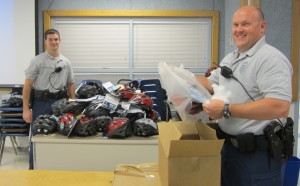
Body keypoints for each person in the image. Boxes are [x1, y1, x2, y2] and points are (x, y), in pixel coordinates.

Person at [195, 6, 292, 186]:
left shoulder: (270, 59)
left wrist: (225, 110)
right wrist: (181, 78)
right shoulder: (231, 58)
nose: (239, 29)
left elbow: (279, 106)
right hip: (228, 150)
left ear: (262, 27)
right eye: (235, 25)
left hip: (257, 156)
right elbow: (210, 83)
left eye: (246, 24)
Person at [22, 28, 76, 169]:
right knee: (38, 137)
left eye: (56, 39)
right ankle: (34, 170)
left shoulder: (66, 62)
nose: (53, 42)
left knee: (62, 136)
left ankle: (57, 169)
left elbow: (70, 84)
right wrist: (26, 109)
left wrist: (74, 104)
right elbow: (27, 86)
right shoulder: (37, 61)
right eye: (50, 39)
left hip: (61, 104)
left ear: (60, 41)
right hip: (42, 103)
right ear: (45, 41)